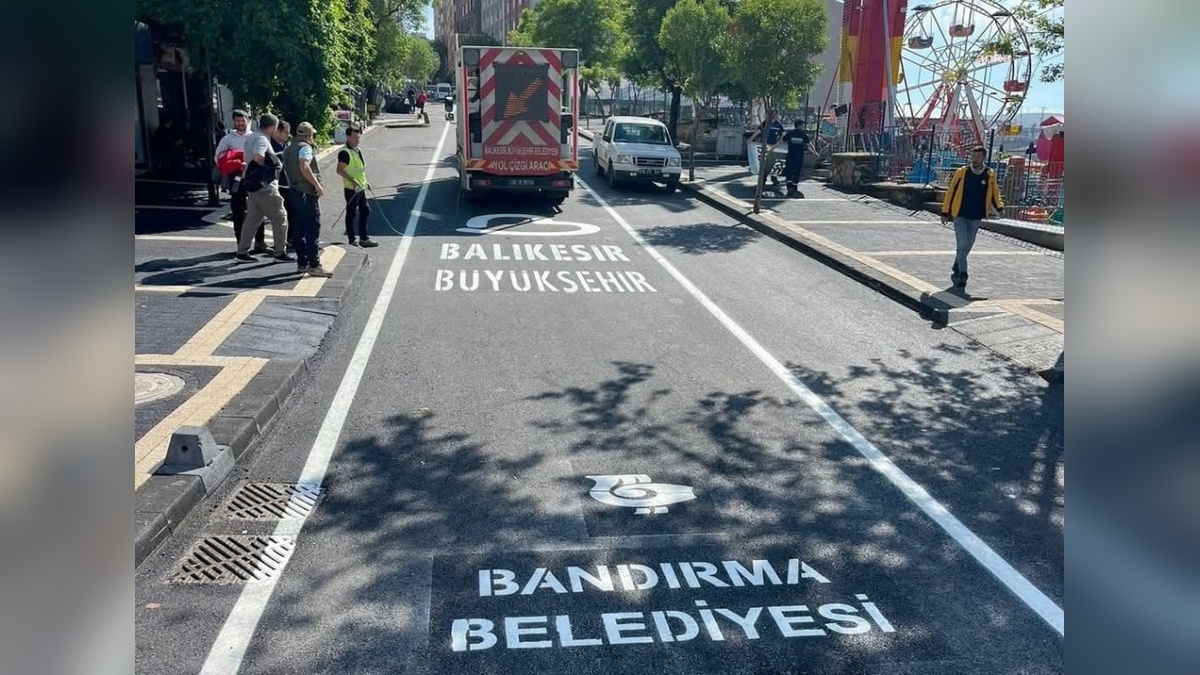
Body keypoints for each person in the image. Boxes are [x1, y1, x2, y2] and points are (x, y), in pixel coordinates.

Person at [940, 145, 1004, 289]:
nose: (975, 159)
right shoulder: (962, 172)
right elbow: (951, 191)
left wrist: (1000, 207)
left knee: (968, 246)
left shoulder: (989, 174)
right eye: (973, 157)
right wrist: (945, 212)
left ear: (983, 158)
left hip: (976, 216)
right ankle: (962, 274)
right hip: (960, 214)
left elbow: (995, 192)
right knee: (962, 244)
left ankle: (957, 264)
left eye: (978, 157)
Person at [236, 114, 292, 262]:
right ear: (273, 127)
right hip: (265, 187)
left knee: (253, 219)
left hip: (253, 186)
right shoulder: (261, 139)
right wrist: (271, 167)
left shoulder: (252, 136)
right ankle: (280, 252)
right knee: (280, 218)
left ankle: (242, 252)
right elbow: (258, 157)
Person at [214, 110, 269, 254]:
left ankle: (260, 242)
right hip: (237, 180)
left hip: (254, 178)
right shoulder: (227, 139)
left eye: (242, 120)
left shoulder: (256, 137)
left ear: (248, 120)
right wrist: (233, 164)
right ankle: (241, 245)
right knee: (238, 211)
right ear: (233, 121)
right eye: (237, 121)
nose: (240, 123)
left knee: (259, 209)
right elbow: (218, 157)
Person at [283, 122, 333, 277]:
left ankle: (302, 262)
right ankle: (314, 263)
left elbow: (286, 169)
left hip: (294, 191)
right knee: (312, 227)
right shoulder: (305, 148)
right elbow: (304, 166)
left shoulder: (289, 148)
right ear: (310, 135)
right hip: (306, 193)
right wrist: (317, 185)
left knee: (298, 228)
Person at [335, 125, 378, 248]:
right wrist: (353, 181)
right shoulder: (344, 152)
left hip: (360, 188)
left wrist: (366, 182)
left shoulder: (357, 150)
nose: (357, 140)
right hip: (351, 189)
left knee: (365, 210)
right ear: (348, 137)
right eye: (355, 137)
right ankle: (352, 240)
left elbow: (359, 170)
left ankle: (364, 239)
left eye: (358, 137)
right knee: (351, 213)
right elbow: (339, 170)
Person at [271, 120, 297, 253]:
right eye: (286, 132)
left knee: (290, 213)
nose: (288, 135)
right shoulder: (273, 148)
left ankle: (288, 239)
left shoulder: (284, 145)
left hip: (287, 184)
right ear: (278, 131)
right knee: (282, 215)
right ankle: (282, 243)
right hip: (279, 185)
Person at [770, 120, 810, 197]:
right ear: (799, 126)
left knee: (789, 172)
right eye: (802, 125)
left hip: (790, 156)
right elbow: (809, 145)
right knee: (796, 172)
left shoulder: (790, 134)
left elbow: (781, 141)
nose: (802, 127)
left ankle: (789, 188)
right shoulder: (803, 135)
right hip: (799, 157)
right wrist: (815, 153)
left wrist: (772, 148)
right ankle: (794, 189)